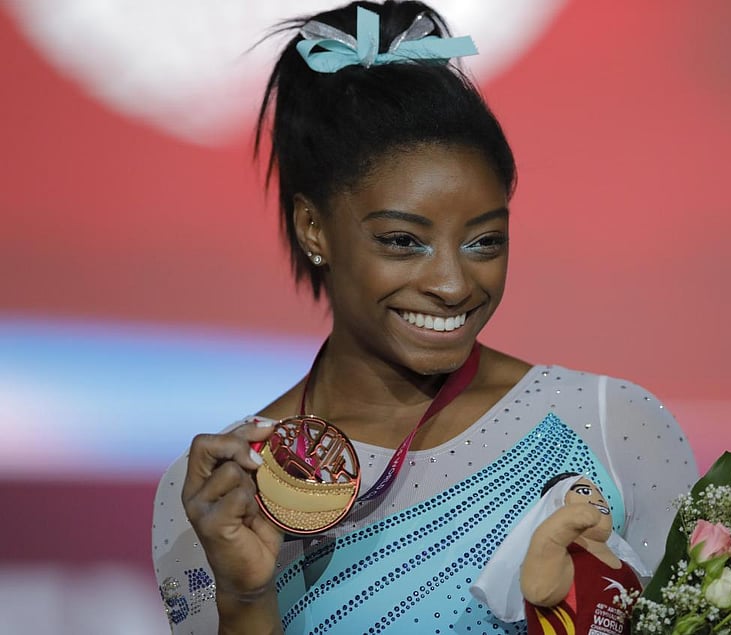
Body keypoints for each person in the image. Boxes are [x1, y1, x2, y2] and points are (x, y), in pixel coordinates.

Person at [151, 2, 698, 633]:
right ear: (313, 227)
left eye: (485, 242)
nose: (452, 284)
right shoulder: (219, 494)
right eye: (403, 241)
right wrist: (246, 601)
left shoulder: (613, 425)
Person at [471, 474, 649, 635]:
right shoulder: (554, 558)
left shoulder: (626, 573)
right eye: (584, 491)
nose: (598, 500)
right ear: (557, 505)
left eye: (599, 493)